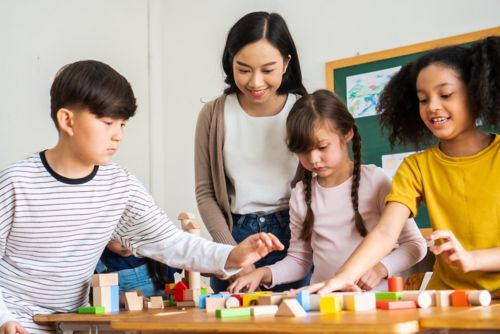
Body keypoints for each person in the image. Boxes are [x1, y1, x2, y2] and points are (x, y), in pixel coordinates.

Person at [0, 60, 285, 334]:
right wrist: (4, 318)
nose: (118, 135)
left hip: (73, 323)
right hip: (14, 321)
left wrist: (232, 255)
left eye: (122, 125)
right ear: (67, 121)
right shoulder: (16, 183)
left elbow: (171, 243)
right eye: (108, 123)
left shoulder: (119, 186)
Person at [306, 36, 500, 295]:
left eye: (445, 94)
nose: (432, 106)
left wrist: (474, 260)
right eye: (422, 99)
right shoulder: (416, 167)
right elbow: (386, 232)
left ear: (476, 93)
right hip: (449, 299)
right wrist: (342, 278)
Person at [228, 90, 427, 293]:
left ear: (347, 134)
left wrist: (381, 268)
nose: (313, 159)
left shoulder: (377, 181)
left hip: (374, 304)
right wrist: (262, 273)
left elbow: (415, 245)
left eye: (322, 147)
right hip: (324, 302)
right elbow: (299, 260)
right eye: (304, 150)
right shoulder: (300, 196)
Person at [195, 11, 311, 293]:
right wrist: (233, 253)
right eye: (243, 69)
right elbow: (206, 192)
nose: (255, 82)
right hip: (234, 236)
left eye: (267, 70)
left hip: (293, 236)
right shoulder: (214, 114)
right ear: (230, 62)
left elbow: (320, 184)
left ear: (286, 64)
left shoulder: (305, 110)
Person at [95, 241, 180, 297]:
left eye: (131, 236)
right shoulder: (97, 262)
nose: (125, 244)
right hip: (128, 319)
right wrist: (121, 299)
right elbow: (97, 299)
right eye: (116, 239)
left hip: (166, 316)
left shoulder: (159, 253)